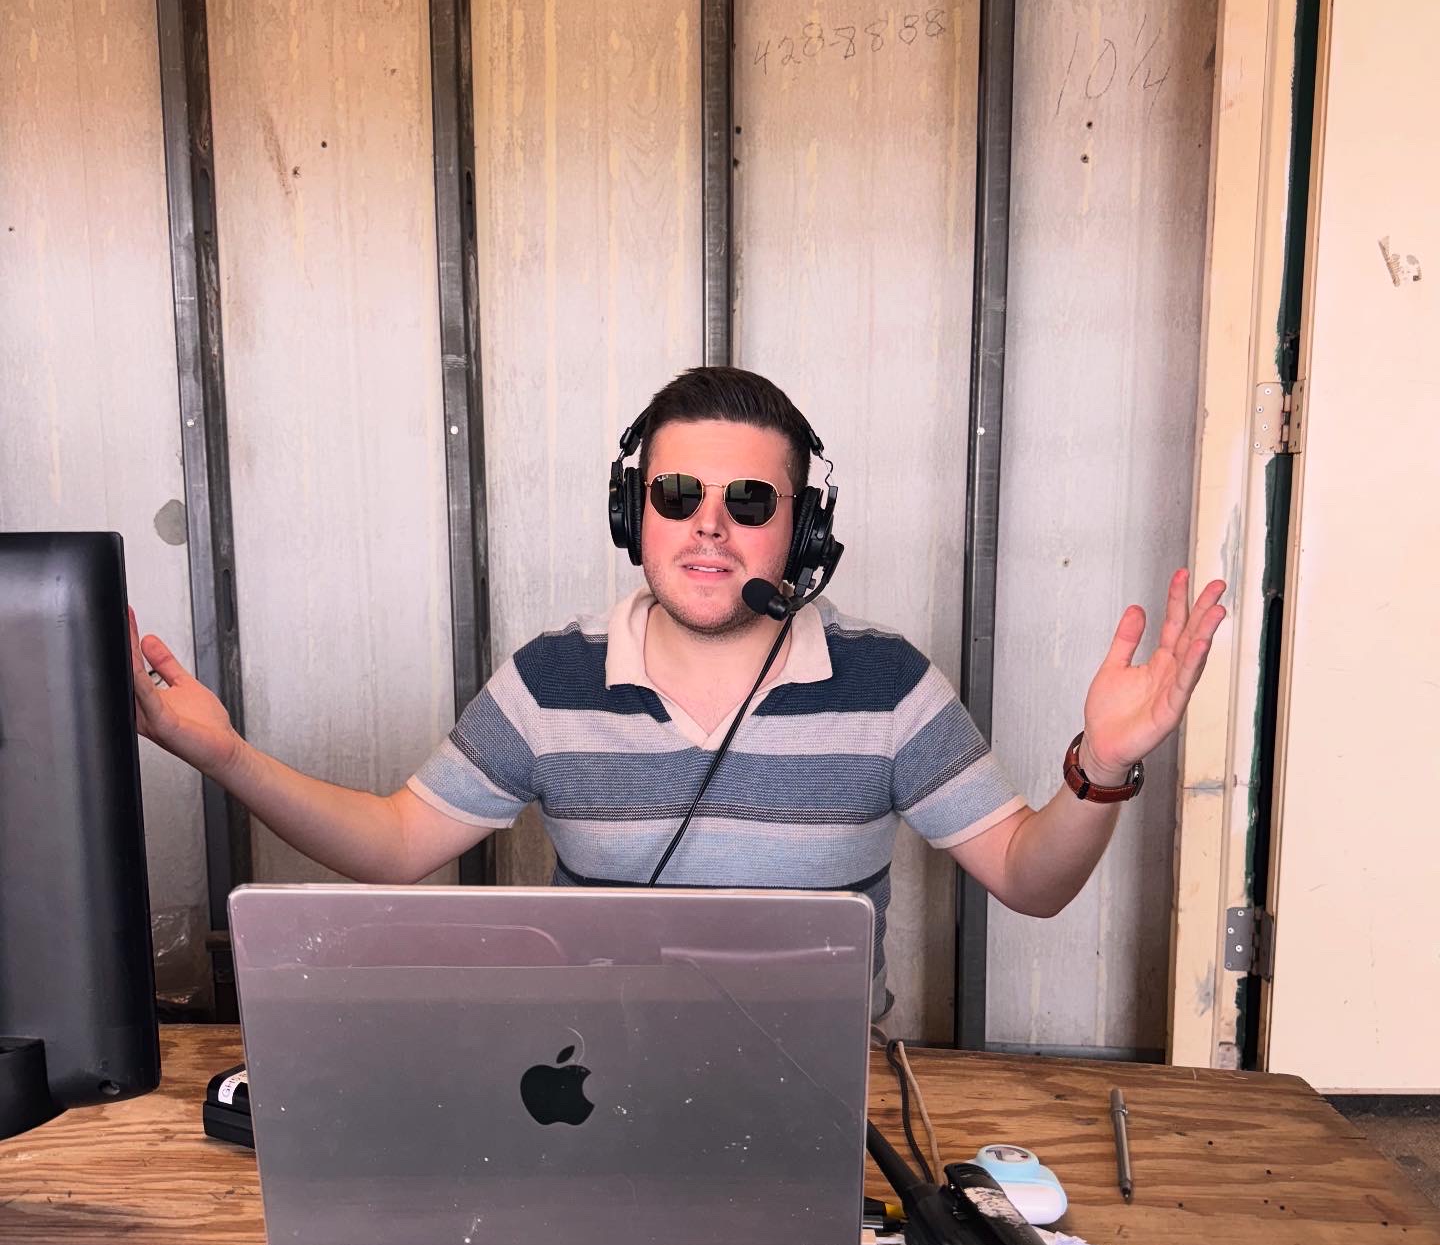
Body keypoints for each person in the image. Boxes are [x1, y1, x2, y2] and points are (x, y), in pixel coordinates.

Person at [130, 367, 1226, 1013]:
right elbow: (394, 843)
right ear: (633, 513)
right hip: (583, 1079)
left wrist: (1102, 766)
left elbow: (1031, 881)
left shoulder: (889, 684)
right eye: (677, 494)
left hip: (818, 1097)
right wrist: (225, 755)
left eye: (749, 500)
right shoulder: (551, 680)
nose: (709, 525)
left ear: (804, 530)